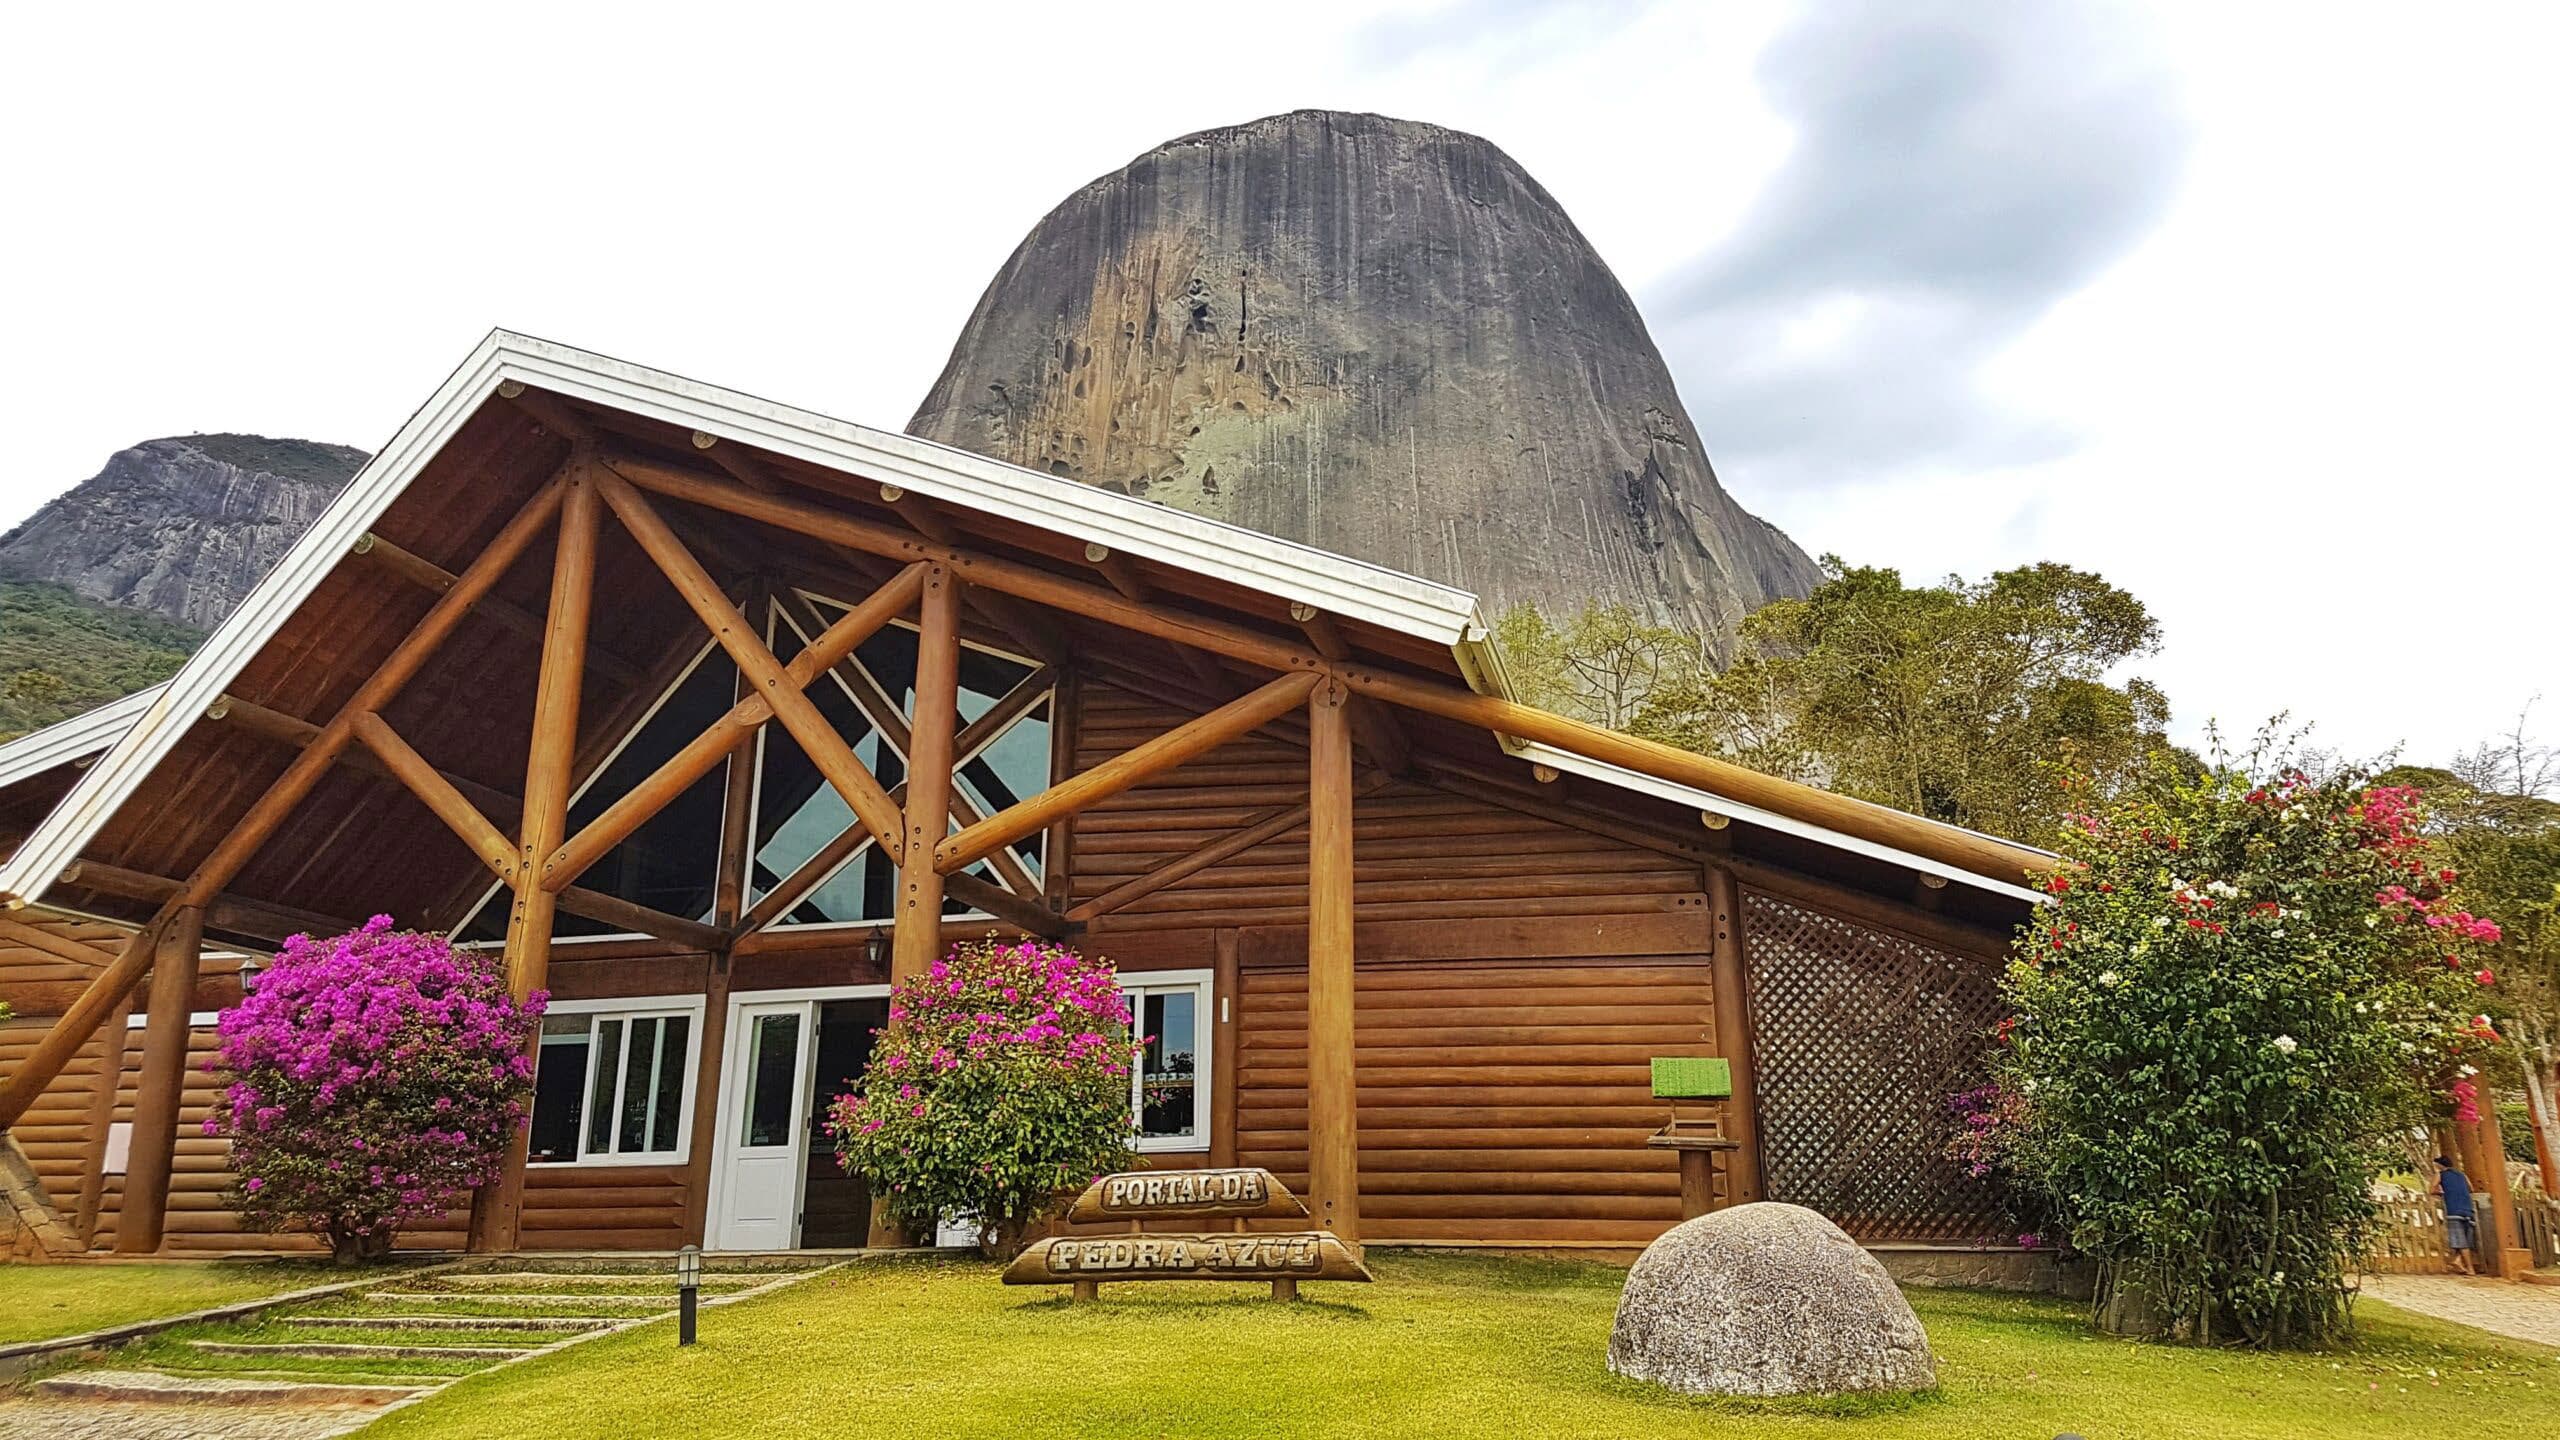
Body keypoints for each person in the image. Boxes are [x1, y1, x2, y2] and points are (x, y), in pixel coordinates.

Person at [2436, 1155, 2477, 1276]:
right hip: (2468, 1209)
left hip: (2453, 1210)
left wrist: (2442, 1192)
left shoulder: (2440, 1175)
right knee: (2466, 1240)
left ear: (2439, 1165)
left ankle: (2470, 1269)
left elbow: (2432, 1189)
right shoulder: (2462, 1175)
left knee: (2461, 1241)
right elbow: (2471, 1188)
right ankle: (2457, 1261)